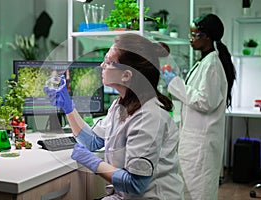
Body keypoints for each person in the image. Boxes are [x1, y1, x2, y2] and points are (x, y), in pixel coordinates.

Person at [44, 33, 184, 199]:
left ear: (126, 75)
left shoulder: (149, 117)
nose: (102, 65)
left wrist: (92, 161)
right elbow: (93, 141)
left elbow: (135, 184)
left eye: (109, 62)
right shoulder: (120, 105)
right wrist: (68, 107)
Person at [162, 13, 236, 200]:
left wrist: (175, 83)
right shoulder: (205, 61)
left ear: (207, 36)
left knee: (198, 192)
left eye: (194, 35)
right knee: (191, 189)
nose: (191, 39)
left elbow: (205, 102)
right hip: (196, 141)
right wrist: (176, 83)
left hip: (200, 144)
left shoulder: (211, 64)